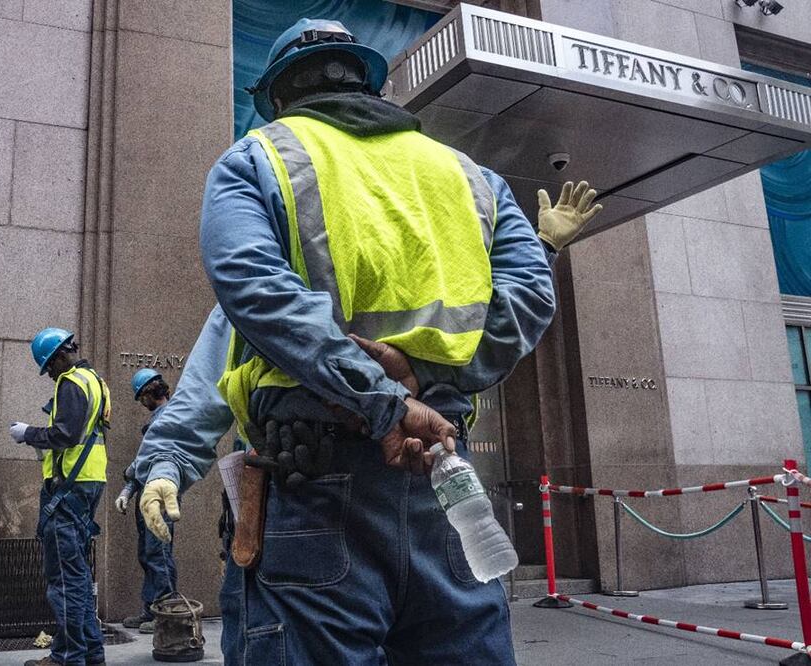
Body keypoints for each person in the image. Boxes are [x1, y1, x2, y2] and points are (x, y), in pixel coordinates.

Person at [135, 18, 602, 665]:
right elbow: (526, 298)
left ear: (277, 97)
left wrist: (165, 460)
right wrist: (419, 377)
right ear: (368, 82)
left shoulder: (259, 161)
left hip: (315, 493)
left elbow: (246, 312)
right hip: (442, 478)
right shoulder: (472, 179)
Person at [9, 327, 111, 666]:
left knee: (64, 578)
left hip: (68, 489)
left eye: (48, 366)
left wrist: (28, 434)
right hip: (88, 483)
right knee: (77, 573)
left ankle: (67, 656)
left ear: (58, 356)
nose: (49, 373)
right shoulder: (94, 380)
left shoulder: (71, 382)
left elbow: (65, 434)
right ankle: (91, 651)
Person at [113, 369, 177, 634]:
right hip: (149, 494)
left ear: (150, 392)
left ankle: (165, 614)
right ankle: (151, 608)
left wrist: (130, 474)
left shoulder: (169, 419)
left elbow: (149, 459)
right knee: (149, 553)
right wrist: (128, 490)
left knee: (158, 554)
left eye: (141, 397)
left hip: (160, 496)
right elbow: (143, 465)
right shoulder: (159, 419)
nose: (141, 403)